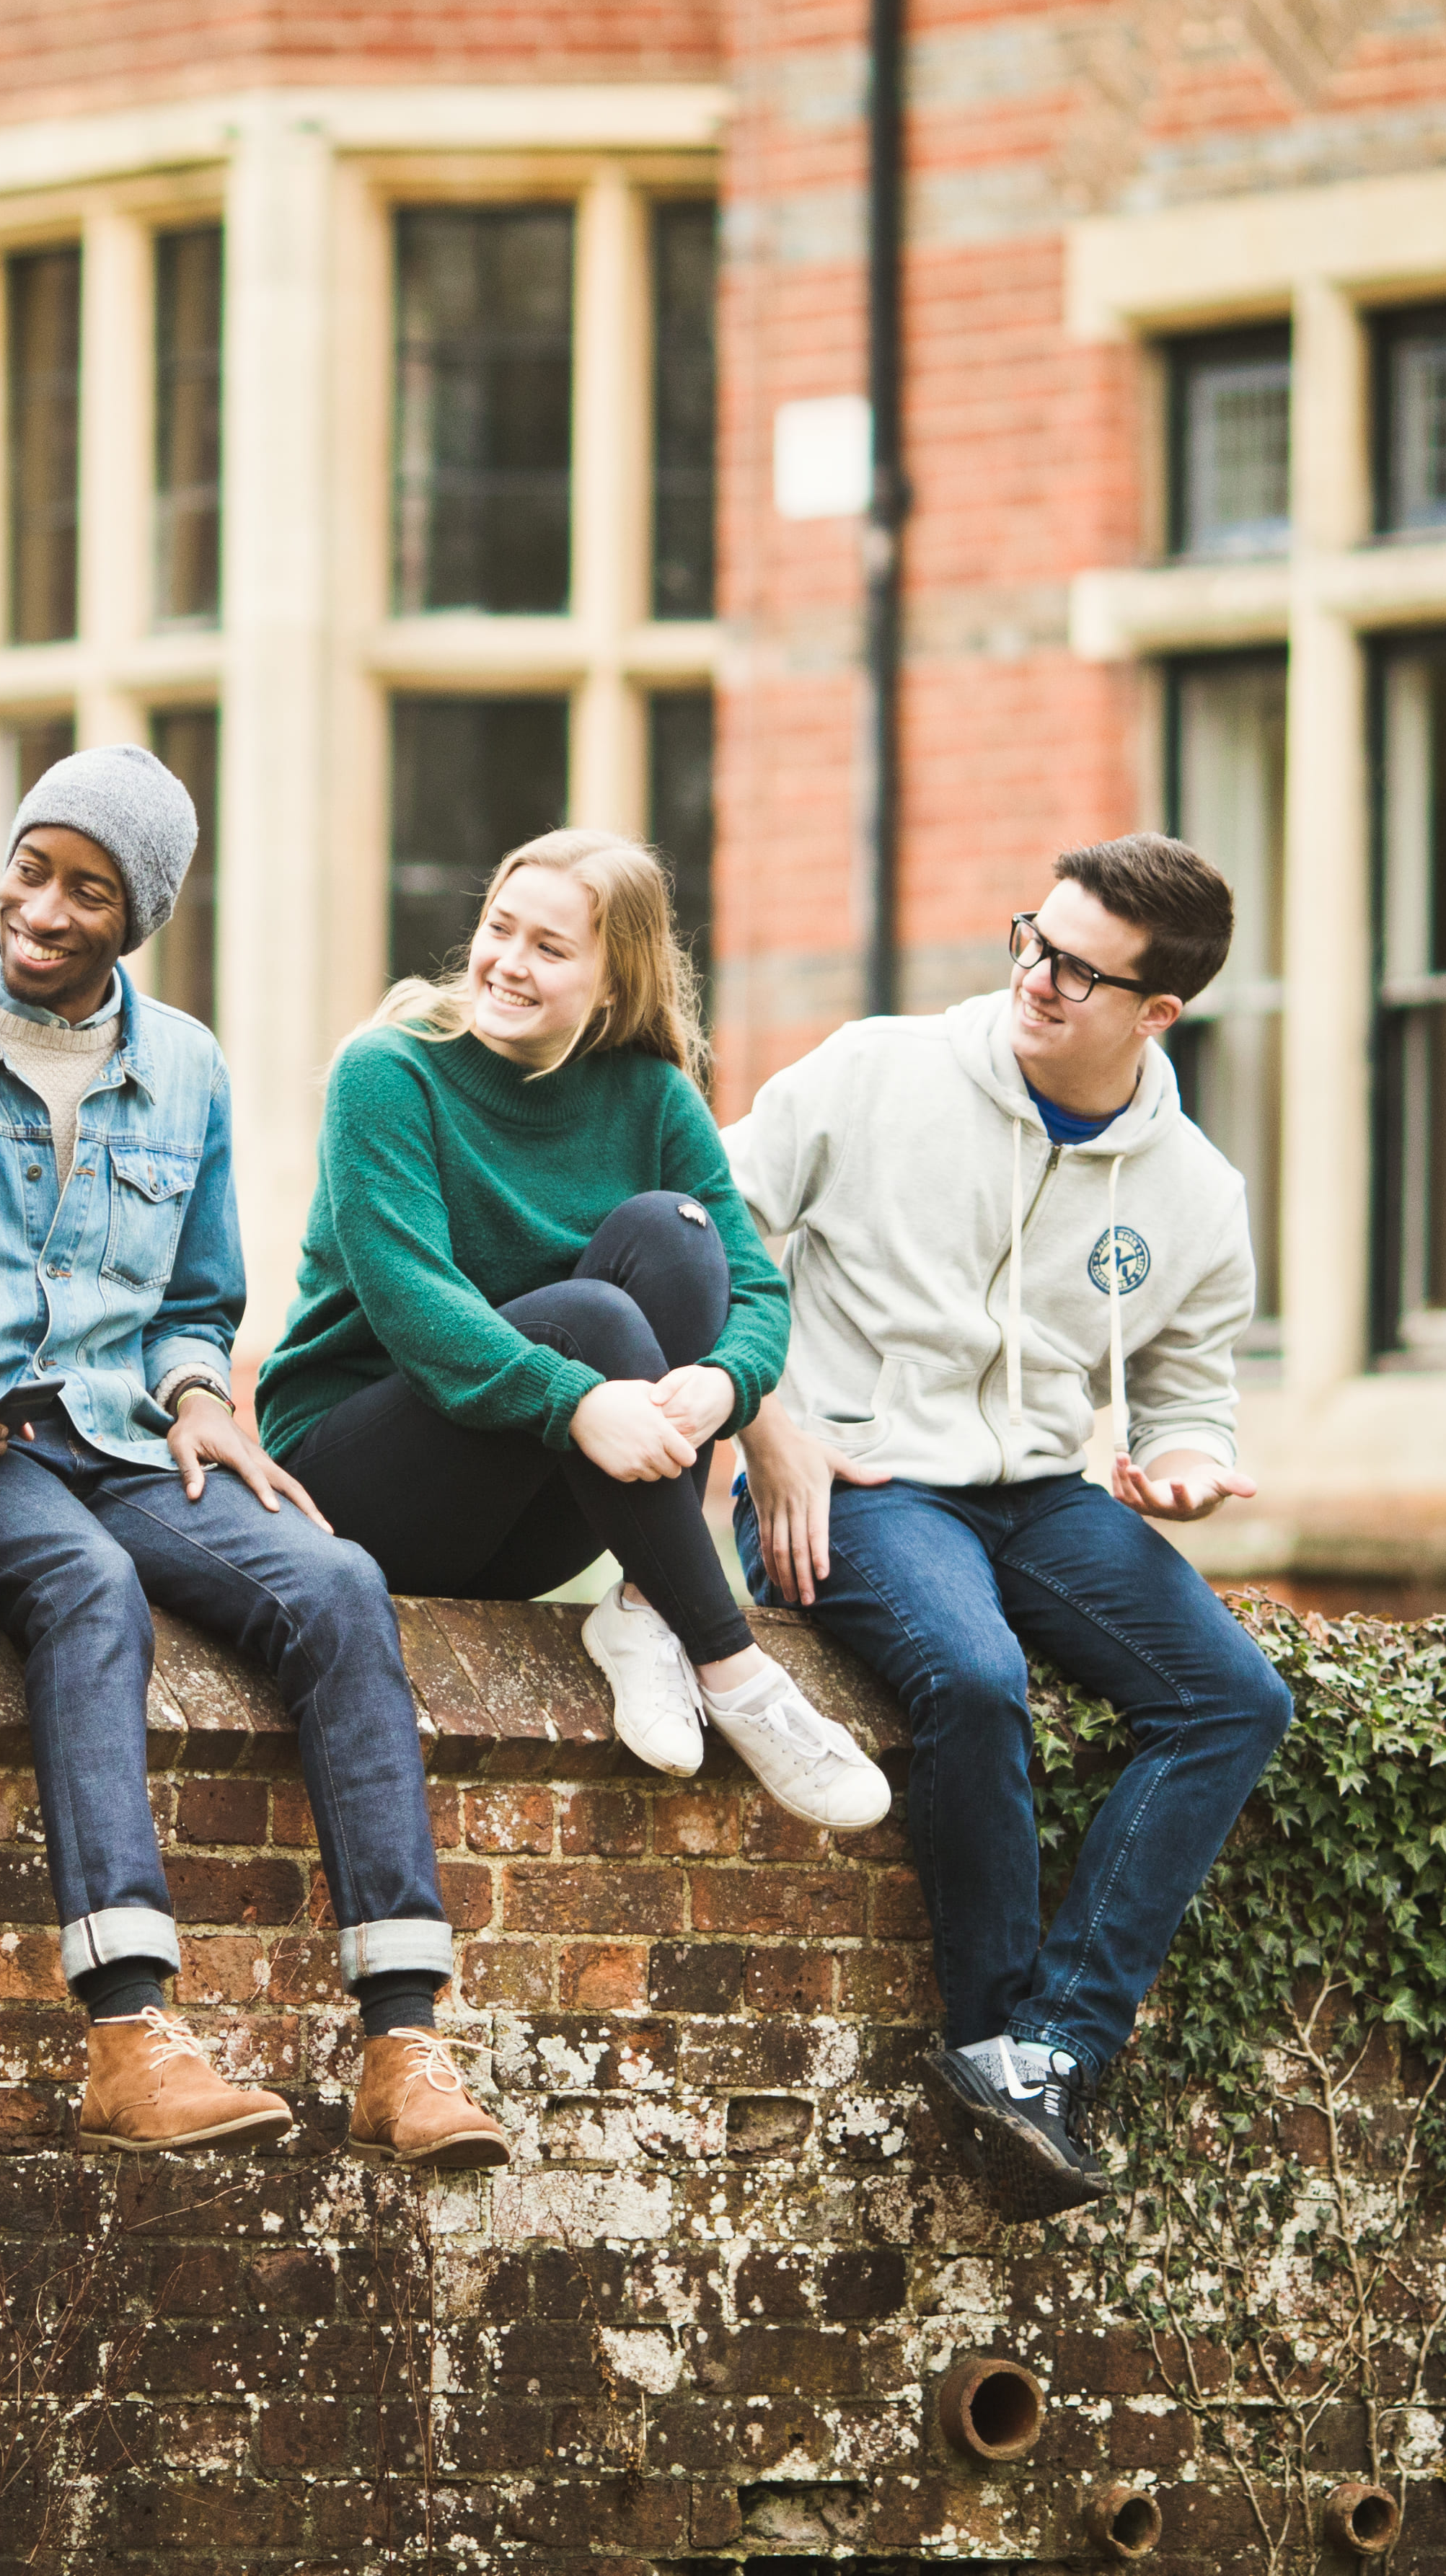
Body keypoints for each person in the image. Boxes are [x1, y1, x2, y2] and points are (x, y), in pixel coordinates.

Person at [0, 749, 515, 2168]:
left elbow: (194, 1300)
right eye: (33, 866)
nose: (45, 907)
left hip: (122, 1433)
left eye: (90, 888)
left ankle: (403, 2041)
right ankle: (130, 2032)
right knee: (86, 1594)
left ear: (143, 913)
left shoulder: (184, 1068)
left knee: (341, 1585)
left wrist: (197, 1395)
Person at [727, 834, 1292, 2216]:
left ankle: (1052, 2050)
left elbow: (1188, 1386)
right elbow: (712, 1226)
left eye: (1081, 972)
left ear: (1159, 1013)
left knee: (1232, 1699)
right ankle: (989, 2036)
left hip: (1037, 1496)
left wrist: (1182, 1460)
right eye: (1032, 939)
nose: (1037, 979)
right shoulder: (875, 1071)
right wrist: (772, 1423)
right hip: (852, 1473)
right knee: (975, 1682)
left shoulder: (1195, 1192)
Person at [262, 830, 891, 1836]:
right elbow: (414, 1300)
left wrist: (727, 1385)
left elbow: (758, 1293)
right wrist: (577, 1398)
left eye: (550, 949)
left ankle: (647, 1609)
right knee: (590, 1317)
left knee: (676, 1239)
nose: (508, 962)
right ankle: (734, 1668)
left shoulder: (650, 1098)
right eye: (498, 929)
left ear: (610, 986)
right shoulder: (390, 1072)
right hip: (359, 1488)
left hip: (534, 1510)